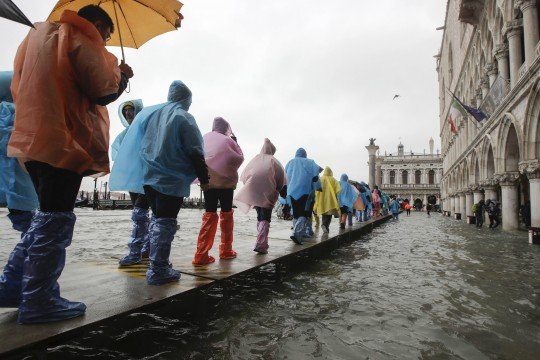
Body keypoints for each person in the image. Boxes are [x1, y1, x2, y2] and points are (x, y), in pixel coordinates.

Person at [5, 5, 133, 324]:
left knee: (44, 217)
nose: (106, 39)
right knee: (56, 219)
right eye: (108, 32)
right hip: (65, 138)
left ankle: (12, 286)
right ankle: (39, 300)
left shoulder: (35, 35)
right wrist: (121, 78)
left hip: (33, 139)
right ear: (99, 23)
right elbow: (101, 90)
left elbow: (18, 85)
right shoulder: (82, 37)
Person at [111, 80, 209, 284]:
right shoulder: (183, 117)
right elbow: (195, 150)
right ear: (186, 99)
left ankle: (152, 261)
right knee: (165, 223)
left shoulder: (151, 115)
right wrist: (204, 178)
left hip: (148, 179)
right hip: (170, 180)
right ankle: (158, 269)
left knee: (157, 221)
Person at [0, 71, 39, 308]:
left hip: (11, 190)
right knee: (38, 231)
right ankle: (12, 285)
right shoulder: (12, 114)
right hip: (19, 189)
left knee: (33, 231)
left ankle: (15, 284)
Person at [192, 117, 244, 265]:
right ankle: (226, 251)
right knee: (226, 215)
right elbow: (239, 158)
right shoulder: (228, 140)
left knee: (209, 215)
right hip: (226, 184)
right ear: (226, 128)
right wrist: (235, 142)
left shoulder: (204, 137)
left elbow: (198, 155)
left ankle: (201, 254)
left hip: (207, 182)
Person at [111, 100, 152, 267]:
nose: (128, 113)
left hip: (147, 179)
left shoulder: (145, 129)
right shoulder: (125, 134)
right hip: (133, 181)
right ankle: (147, 248)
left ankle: (135, 252)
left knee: (140, 214)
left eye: (131, 109)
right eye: (125, 110)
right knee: (140, 214)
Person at [233, 138, 287, 254]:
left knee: (260, 216)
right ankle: (261, 244)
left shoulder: (255, 159)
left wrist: (250, 187)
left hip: (254, 191)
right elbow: (281, 180)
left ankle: (261, 241)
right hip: (268, 191)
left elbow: (245, 175)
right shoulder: (274, 161)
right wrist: (281, 192)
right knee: (265, 217)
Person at [285, 148, 322, 244]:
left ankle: (299, 234)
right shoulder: (310, 162)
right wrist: (318, 187)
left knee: (296, 214)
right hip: (305, 191)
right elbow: (316, 176)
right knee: (305, 214)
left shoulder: (289, 163)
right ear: (305, 154)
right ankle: (296, 233)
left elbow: (285, 177)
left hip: (291, 192)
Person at [314, 167, 341, 233]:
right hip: (330, 201)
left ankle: (324, 225)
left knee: (324, 213)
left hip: (321, 200)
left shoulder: (320, 179)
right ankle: (325, 225)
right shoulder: (334, 180)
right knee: (329, 214)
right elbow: (338, 190)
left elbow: (315, 189)